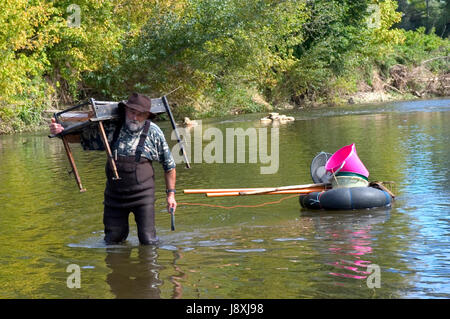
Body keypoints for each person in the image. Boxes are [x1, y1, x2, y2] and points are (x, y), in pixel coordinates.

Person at [49, 93, 177, 245]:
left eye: (140, 114)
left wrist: (171, 195)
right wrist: (59, 132)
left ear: (147, 115)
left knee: (148, 241)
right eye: (132, 112)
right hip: (114, 197)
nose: (134, 117)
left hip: (143, 196)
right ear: (125, 110)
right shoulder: (110, 128)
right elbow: (80, 138)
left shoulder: (154, 132)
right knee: (112, 241)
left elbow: (169, 167)